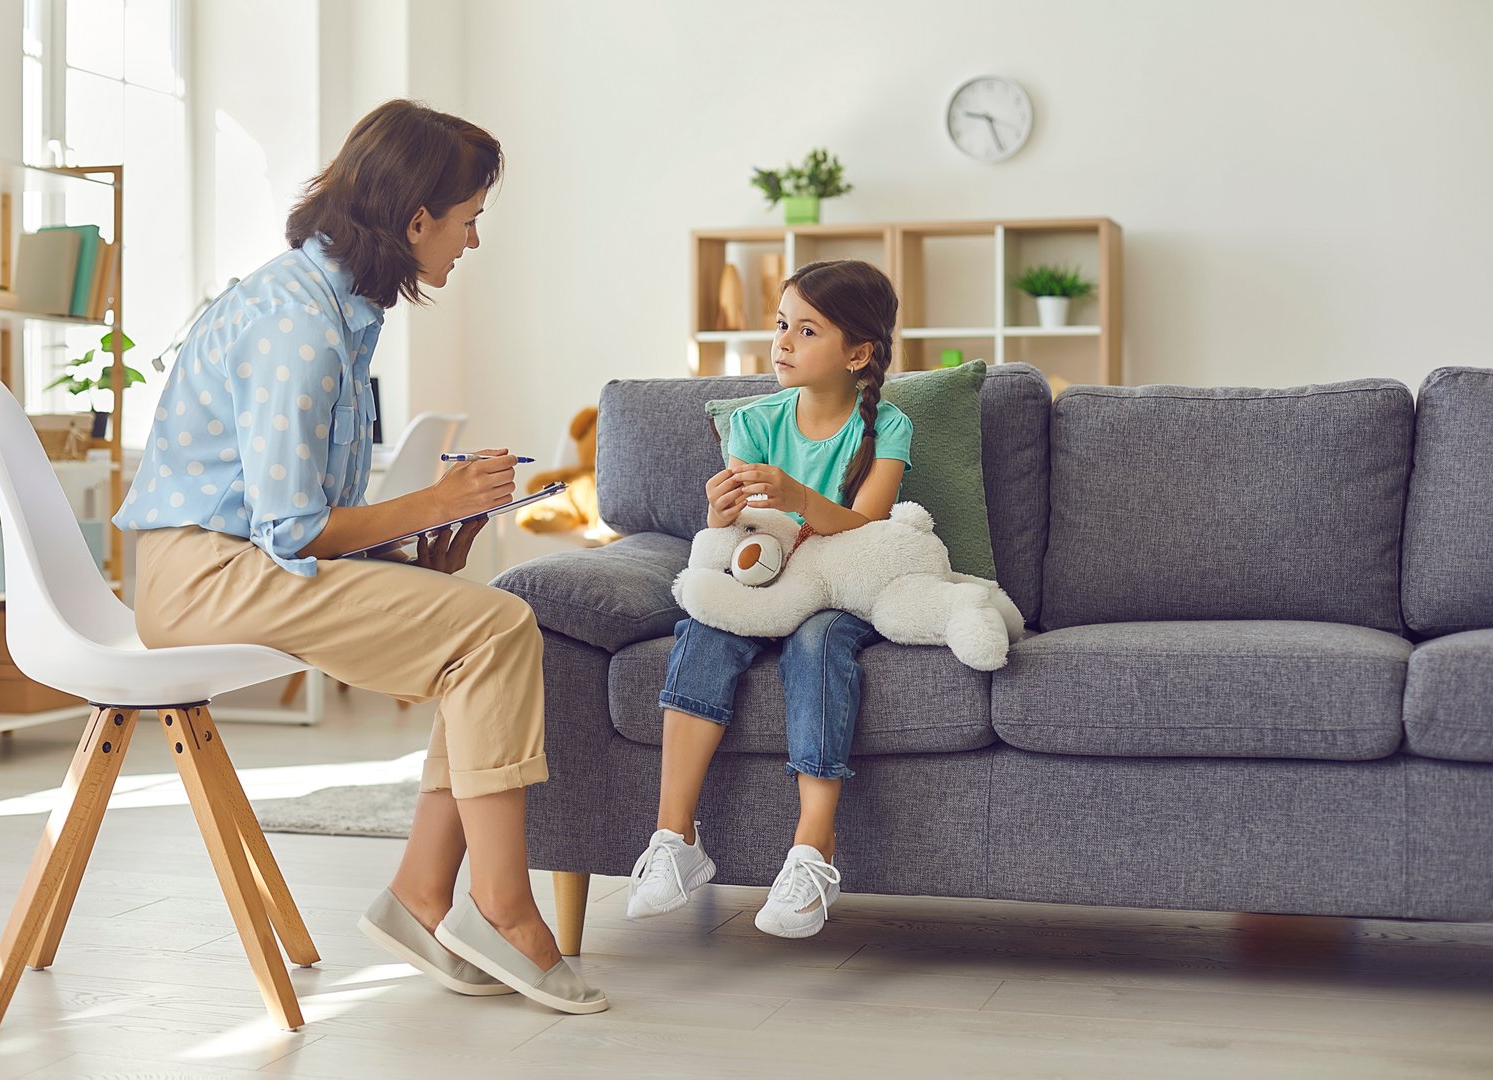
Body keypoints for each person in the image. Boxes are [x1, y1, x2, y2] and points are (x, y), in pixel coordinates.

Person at [116, 100, 606, 1014]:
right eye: (468, 221)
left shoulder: (336, 310)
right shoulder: (296, 325)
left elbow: (305, 518)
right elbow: (293, 530)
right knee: (500, 626)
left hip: (235, 565)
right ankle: (499, 910)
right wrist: (435, 500)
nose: (469, 241)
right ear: (418, 220)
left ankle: (424, 898)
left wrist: (424, 543)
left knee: (478, 633)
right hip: (202, 578)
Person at [627, 259, 913, 939]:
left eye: (806, 329)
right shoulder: (753, 422)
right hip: (766, 582)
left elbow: (869, 526)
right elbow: (741, 539)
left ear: (859, 352)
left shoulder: (890, 426)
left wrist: (801, 499)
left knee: (817, 643)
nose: (782, 341)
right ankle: (674, 839)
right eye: (782, 324)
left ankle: (813, 851)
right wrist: (720, 514)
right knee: (705, 625)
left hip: (840, 593)